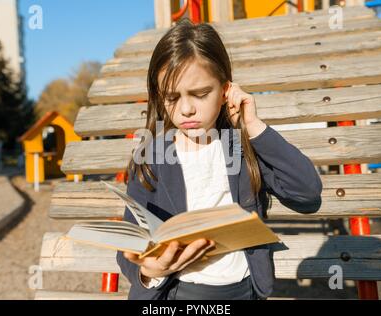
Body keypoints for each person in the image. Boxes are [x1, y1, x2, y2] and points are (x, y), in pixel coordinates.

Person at [117, 18, 323, 300]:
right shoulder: (151, 157)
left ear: (225, 90)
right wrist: (148, 272)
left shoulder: (240, 146)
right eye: (172, 97)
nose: (186, 109)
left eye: (200, 94)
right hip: (177, 293)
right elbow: (129, 244)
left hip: (243, 289)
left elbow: (307, 194)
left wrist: (254, 127)